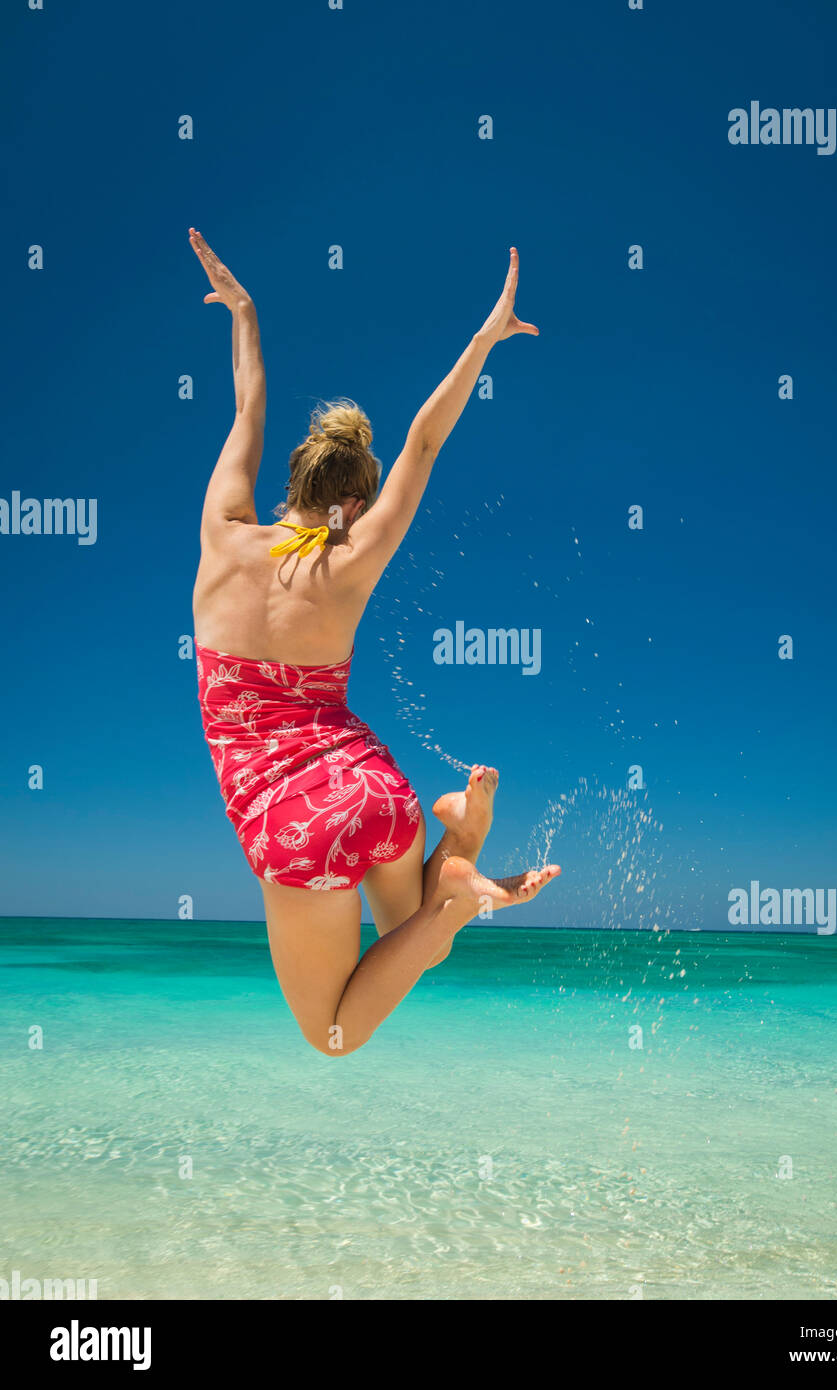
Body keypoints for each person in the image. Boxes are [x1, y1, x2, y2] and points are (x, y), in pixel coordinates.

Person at [189, 228, 560, 1057]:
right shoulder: (352, 560)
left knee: (332, 1034)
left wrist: (243, 313)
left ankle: (461, 881)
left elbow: (248, 406)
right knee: (408, 925)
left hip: (291, 818)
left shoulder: (223, 532)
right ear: (353, 505)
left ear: (290, 483)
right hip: (372, 785)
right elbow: (424, 441)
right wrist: (483, 340)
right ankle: (457, 843)